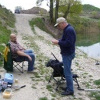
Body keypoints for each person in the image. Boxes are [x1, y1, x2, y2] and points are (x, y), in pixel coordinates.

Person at [52, 17, 76, 96]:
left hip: (68, 54)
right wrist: (58, 41)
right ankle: (69, 87)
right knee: (67, 70)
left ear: (62, 23)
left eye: (59, 25)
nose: (58, 27)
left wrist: (58, 42)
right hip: (67, 53)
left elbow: (69, 43)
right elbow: (64, 40)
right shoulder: (67, 29)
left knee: (67, 72)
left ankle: (70, 90)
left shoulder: (69, 30)